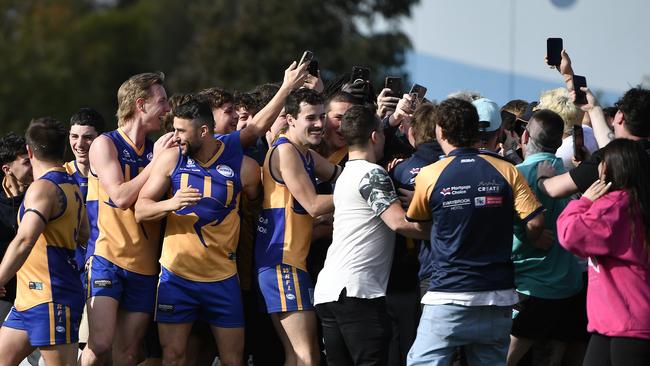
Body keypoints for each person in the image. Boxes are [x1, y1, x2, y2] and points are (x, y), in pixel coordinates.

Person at [405, 98, 545, 366]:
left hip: (448, 295)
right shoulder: (508, 170)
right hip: (497, 298)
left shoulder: (429, 174)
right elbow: (536, 223)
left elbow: (419, 224)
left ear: (441, 131)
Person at [134, 99, 261, 366]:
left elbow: (253, 203)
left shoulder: (243, 167)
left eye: (181, 131)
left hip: (223, 278)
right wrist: (172, 203)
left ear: (203, 131)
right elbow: (141, 210)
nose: (174, 137)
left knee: (232, 360)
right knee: (173, 357)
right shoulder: (172, 159)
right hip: (176, 277)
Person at [314, 105, 429, 366]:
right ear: (375, 137)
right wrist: (440, 231)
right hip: (358, 293)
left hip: (329, 292)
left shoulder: (344, 176)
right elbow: (399, 223)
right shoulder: (373, 173)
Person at [81, 72, 174, 366]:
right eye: (162, 102)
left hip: (145, 266)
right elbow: (120, 197)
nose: (168, 109)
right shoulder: (105, 144)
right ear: (140, 104)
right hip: (108, 258)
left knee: (130, 353)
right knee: (100, 343)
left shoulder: (157, 148)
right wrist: (156, 163)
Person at [255, 88, 340, 366]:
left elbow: (342, 174)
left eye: (322, 117)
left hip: (290, 262)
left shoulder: (305, 154)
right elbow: (314, 204)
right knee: (307, 357)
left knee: (298, 355)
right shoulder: (286, 152)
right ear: (290, 119)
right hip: (282, 262)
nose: (318, 124)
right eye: (310, 118)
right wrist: (358, 192)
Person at [0, 117, 88, 366]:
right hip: (28, 300)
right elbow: (83, 234)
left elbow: (25, 239)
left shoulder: (43, 188)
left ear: (30, 150)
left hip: (51, 297)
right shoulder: (72, 186)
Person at [557, 138, 650, 366]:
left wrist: (584, 200)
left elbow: (571, 233)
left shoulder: (614, 205)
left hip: (626, 324)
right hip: (616, 321)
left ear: (607, 167)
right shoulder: (638, 201)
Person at [505, 110, 585, 366]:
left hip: (527, 290)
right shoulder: (574, 177)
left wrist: (529, 235)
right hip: (569, 289)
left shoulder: (513, 175)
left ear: (525, 136)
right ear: (560, 141)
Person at [538, 87, 650, 198]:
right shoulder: (639, 154)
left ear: (620, 117)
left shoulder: (608, 160)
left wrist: (542, 177)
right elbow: (607, 142)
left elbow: (552, 189)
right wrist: (593, 108)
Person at [0, 133, 33, 325]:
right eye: (27, 162)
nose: (34, 166)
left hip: (36, 295)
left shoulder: (43, 196)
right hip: (4, 296)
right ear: (7, 169)